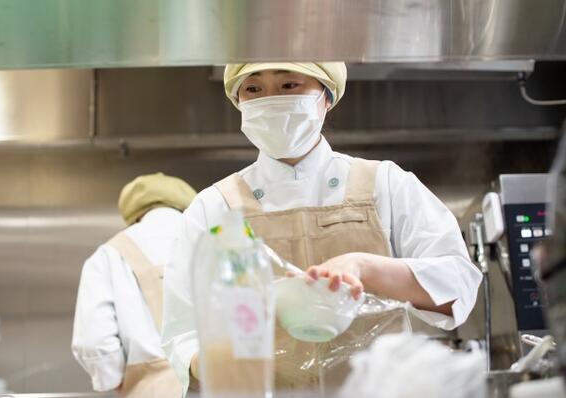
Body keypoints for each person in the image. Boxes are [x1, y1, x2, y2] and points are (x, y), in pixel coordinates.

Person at [169, 62, 483, 394]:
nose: (271, 99)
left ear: (326, 96)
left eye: (289, 85)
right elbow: (181, 332)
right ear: (239, 102)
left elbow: (457, 285)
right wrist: (216, 359)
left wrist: (364, 268)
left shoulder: (384, 183)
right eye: (253, 89)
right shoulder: (215, 206)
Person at [72, 173, 197, 397]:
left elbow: (93, 341)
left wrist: (115, 378)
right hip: (229, 384)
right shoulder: (219, 240)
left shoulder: (109, 254)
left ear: (134, 213)